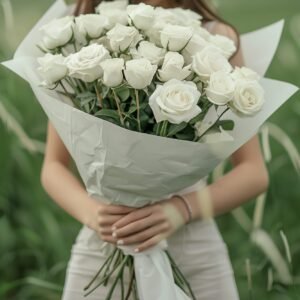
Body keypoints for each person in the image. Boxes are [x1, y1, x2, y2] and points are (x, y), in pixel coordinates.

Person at [40, 0, 270, 299]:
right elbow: (53, 166)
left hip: (194, 253)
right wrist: (95, 215)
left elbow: (254, 172)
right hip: (104, 244)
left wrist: (181, 210)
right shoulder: (80, 34)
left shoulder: (216, 39)